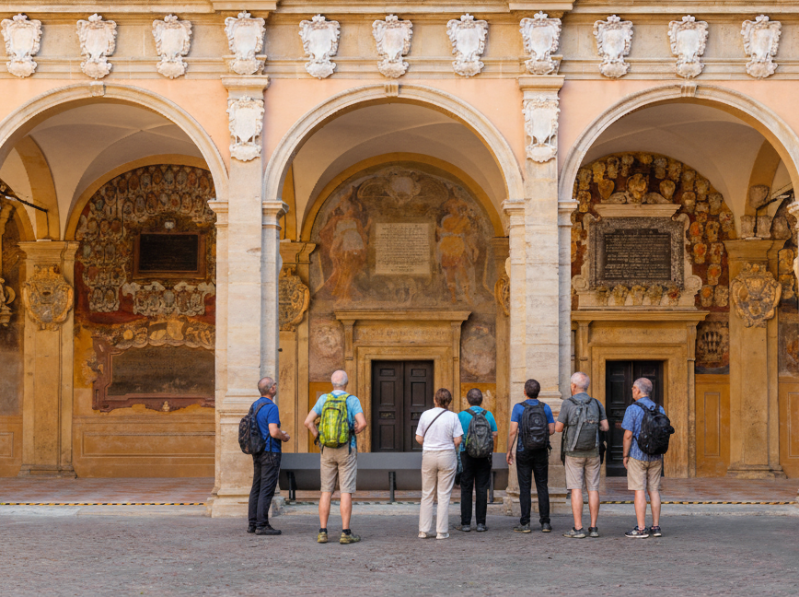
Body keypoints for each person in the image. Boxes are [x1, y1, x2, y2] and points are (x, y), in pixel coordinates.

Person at [303, 370, 367, 545]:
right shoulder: (352, 400)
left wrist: (317, 436)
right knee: (346, 491)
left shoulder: (324, 399)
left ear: (332, 383)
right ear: (346, 383)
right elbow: (362, 423)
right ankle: (345, 533)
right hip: (346, 448)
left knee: (326, 491)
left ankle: (323, 532)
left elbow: (308, 422)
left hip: (327, 450)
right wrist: (355, 430)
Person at [555, 372, 609, 539]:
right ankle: (593, 527)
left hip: (573, 452)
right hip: (593, 452)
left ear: (573, 386)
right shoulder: (596, 403)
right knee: (593, 488)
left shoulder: (567, 403)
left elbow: (558, 428)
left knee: (576, 488)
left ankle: (578, 528)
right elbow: (606, 427)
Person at [506, 379, 555, 533]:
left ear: (525, 391)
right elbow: (552, 430)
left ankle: (525, 523)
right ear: (538, 392)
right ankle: (545, 523)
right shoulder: (545, 407)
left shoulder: (518, 407)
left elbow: (513, 431)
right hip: (541, 451)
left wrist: (509, 450)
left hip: (523, 450)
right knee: (542, 486)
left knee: (525, 487)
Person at [416, 388, 463, 540]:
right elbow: (458, 440)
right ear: (449, 402)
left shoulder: (425, 415)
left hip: (429, 454)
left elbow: (418, 438)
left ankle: (423, 530)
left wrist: (429, 443)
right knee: (444, 495)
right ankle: (441, 532)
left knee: (427, 493)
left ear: (435, 400)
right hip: (447, 455)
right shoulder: (453, 417)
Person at [622, 377, 666, 539]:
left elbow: (628, 435)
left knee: (639, 490)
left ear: (638, 390)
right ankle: (656, 527)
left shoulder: (632, 409)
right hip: (656, 455)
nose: (632, 391)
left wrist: (625, 455)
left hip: (637, 454)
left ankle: (641, 528)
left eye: (633, 388)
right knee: (654, 490)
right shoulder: (659, 408)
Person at [248, 377, 290, 536]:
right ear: (271, 389)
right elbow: (273, 431)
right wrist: (284, 436)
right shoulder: (272, 407)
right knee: (267, 488)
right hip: (270, 452)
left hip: (257, 451)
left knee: (256, 487)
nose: (276, 387)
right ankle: (262, 525)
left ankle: (252, 524)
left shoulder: (254, 406)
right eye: (275, 385)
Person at [456, 388, 498, 533]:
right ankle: (481, 523)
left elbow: (457, 436)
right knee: (481, 488)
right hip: (484, 456)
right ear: (481, 400)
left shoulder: (461, 415)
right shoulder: (488, 414)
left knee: (466, 488)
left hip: (466, 455)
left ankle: (466, 523)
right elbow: (494, 433)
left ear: (467, 400)